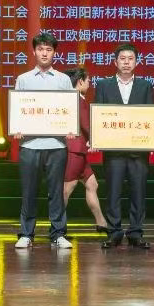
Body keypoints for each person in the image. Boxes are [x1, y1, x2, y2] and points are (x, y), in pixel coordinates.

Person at [13, 33, 75, 249]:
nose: (45, 53)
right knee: (29, 192)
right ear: (34, 52)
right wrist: (16, 128)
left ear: (54, 53)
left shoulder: (63, 79)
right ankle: (26, 234)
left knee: (56, 192)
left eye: (49, 49)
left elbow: (70, 109)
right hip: (29, 145)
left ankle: (58, 233)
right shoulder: (24, 79)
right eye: (41, 49)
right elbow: (18, 110)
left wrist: (70, 127)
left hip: (56, 145)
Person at [94, 43, 154, 249]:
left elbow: (150, 116)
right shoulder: (103, 85)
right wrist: (96, 138)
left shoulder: (145, 86)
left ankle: (135, 232)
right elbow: (98, 115)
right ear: (115, 62)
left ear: (136, 62)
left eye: (130, 59)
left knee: (138, 192)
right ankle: (114, 232)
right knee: (113, 192)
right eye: (122, 59)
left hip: (138, 151)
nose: (126, 62)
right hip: (113, 151)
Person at [63, 67, 108, 233]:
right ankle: (57, 226)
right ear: (80, 81)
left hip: (80, 151)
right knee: (66, 189)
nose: (90, 83)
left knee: (92, 184)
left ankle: (102, 223)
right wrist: (99, 139)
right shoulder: (77, 99)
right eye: (88, 80)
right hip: (74, 151)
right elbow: (86, 125)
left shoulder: (74, 99)